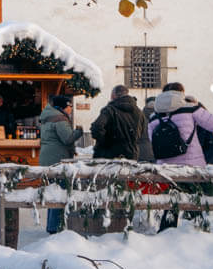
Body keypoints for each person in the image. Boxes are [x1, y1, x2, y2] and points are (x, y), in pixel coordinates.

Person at [39, 94, 83, 233]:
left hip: (48, 158)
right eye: (69, 106)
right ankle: (55, 228)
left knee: (53, 192)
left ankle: (52, 226)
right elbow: (68, 139)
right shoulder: (59, 119)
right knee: (59, 193)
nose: (71, 109)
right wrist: (79, 132)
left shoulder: (49, 117)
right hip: (57, 160)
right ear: (63, 106)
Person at [148, 86, 213, 167]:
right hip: (192, 166)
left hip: (165, 167)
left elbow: (152, 139)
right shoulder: (191, 109)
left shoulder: (153, 117)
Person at [90, 85, 146, 160]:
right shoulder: (139, 112)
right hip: (131, 154)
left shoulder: (110, 110)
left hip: (109, 155)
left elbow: (97, 127)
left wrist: (105, 142)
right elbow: (142, 131)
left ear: (113, 96)